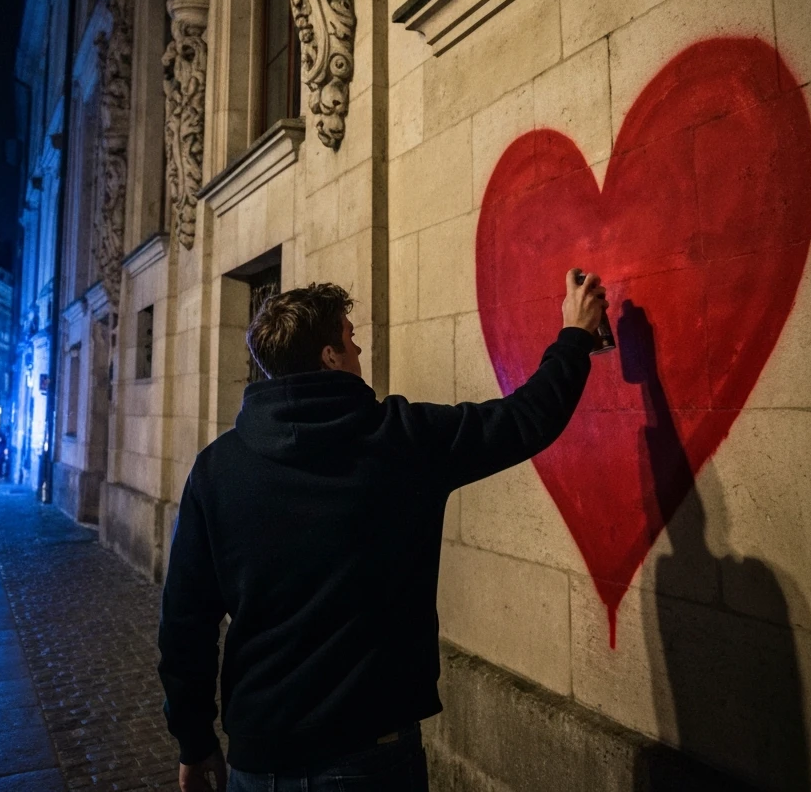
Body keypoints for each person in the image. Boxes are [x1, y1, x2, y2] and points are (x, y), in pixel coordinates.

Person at [158, 269, 608, 792]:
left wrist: (194, 740)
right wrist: (575, 335)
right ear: (328, 356)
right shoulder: (401, 441)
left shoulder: (216, 469)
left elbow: (185, 622)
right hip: (369, 755)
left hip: (258, 760)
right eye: (350, 337)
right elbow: (524, 419)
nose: (358, 350)